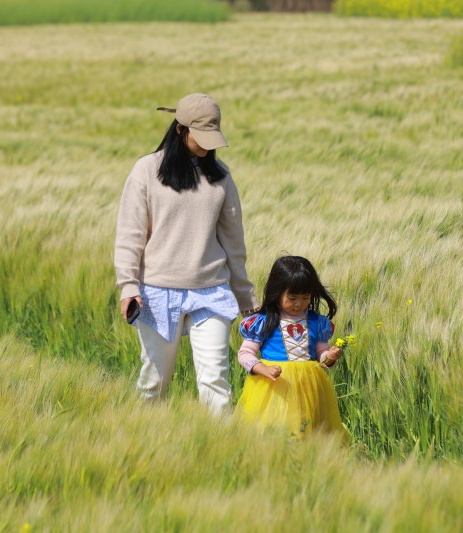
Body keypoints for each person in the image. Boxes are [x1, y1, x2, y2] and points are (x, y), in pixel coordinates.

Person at [114, 93, 260, 414]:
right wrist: (128, 287)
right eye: (201, 137)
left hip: (211, 291)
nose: (208, 146)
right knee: (154, 383)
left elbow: (234, 243)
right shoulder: (146, 171)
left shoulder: (221, 177)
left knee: (216, 383)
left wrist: (246, 297)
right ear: (180, 130)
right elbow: (130, 235)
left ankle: (222, 455)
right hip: (156, 292)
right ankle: (144, 446)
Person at [235, 256, 348, 440]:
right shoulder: (264, 321)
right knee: (274, 429)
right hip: (274, 386)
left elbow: (321, 355)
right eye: (292, 297)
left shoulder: (316, 322)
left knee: (308, 431)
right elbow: (245, 353)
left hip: (309, 386)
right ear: (277, 292)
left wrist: (330, 356)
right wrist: (262, 368)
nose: (298, 304)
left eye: (305, 298)